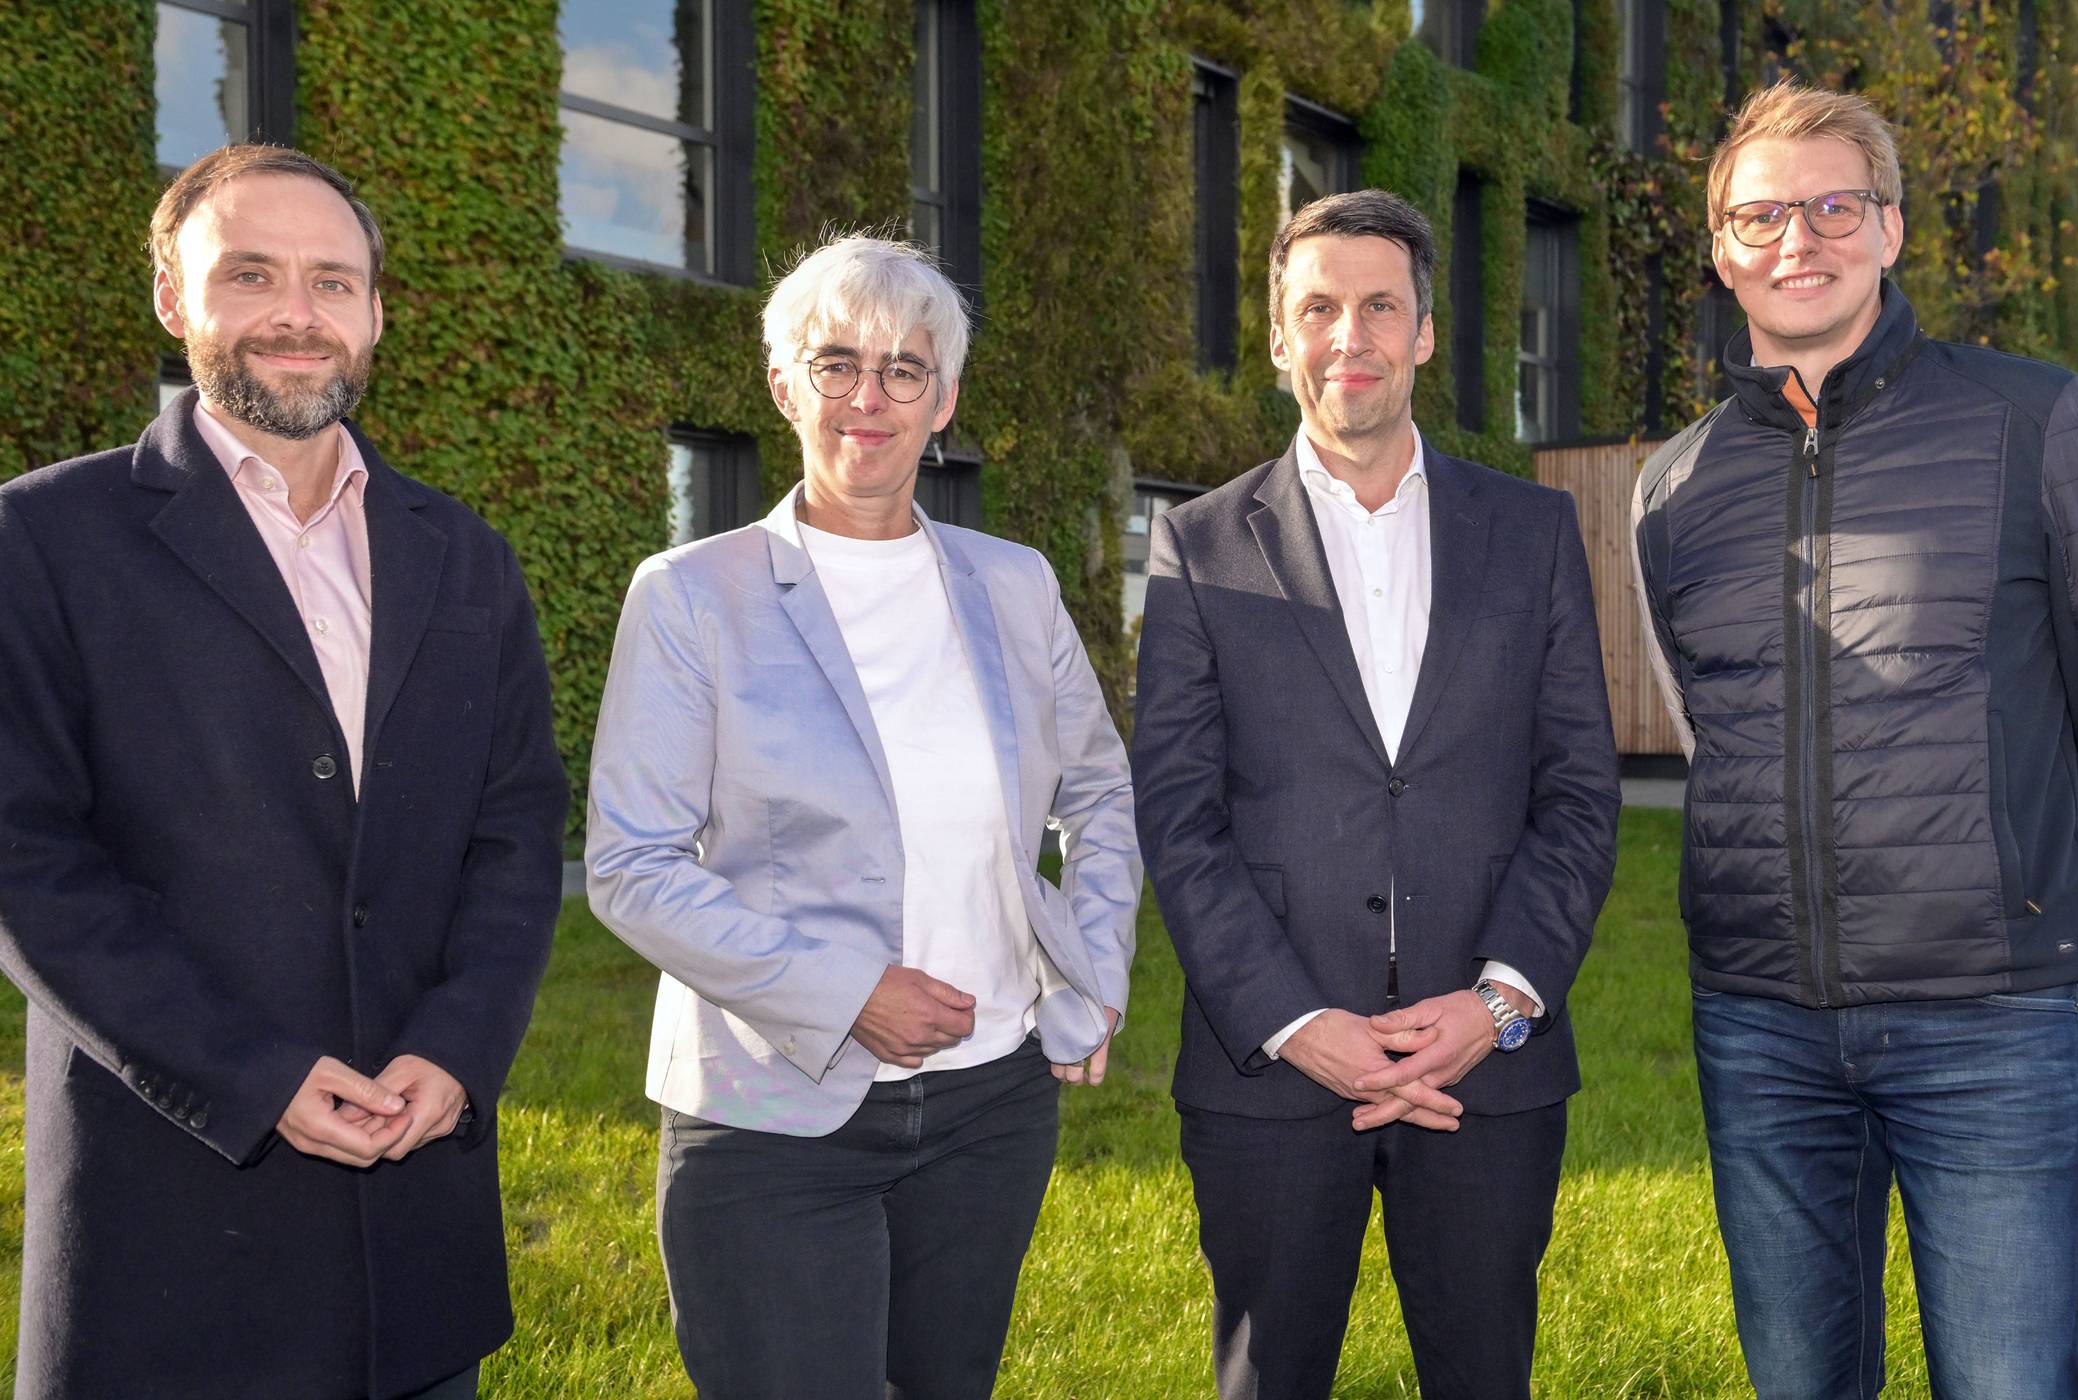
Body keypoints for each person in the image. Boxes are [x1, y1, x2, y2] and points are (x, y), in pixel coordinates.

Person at [0, 144, 568, 1399]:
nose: (296, 315)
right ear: (171, 296)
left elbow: (516, 830)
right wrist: (249, 1075)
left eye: (332, 281)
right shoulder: (40, 537)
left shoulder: (466, 556)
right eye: (250, 274)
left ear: (374, 311)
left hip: (413, 1240)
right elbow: (27, 862)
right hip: (173, 1233)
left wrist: (461, 1047)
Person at [585, 233, 1140, 1400]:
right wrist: (846, 993)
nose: (869, 399)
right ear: (784, 384)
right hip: (772, 1119)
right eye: (836, 364)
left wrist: (1091, 972)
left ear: (946, 400)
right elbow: (632, 864)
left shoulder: (1015, 581)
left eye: (904, 369)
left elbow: (1098, 786)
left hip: (992, 1109)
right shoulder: (691, 596)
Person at [1634, 80, 2078, 1396]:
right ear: (1723, 254)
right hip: (1760, 1024)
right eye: (1763, 215)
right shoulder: (1675, 486)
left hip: (1987, 1015)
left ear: (1892, 231)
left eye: (1835, 206)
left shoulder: (2036, 421)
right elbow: (1703, 726)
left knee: (2011, 1379)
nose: (1800, 240)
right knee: (1799, 1380)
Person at [1132, 189, 1620, 1399]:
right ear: (1281, 337)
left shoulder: (1534, 530)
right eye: (1319, 308)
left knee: (1485, 1373)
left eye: (1379, 306)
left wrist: (1499, 1003)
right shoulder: (1197, 544)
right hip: (1277, 1071)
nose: (1349, 334)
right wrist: (1302, 1024)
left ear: (1425, 332)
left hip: (1487, 1071)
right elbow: (1180, 819)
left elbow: (1577, 794)